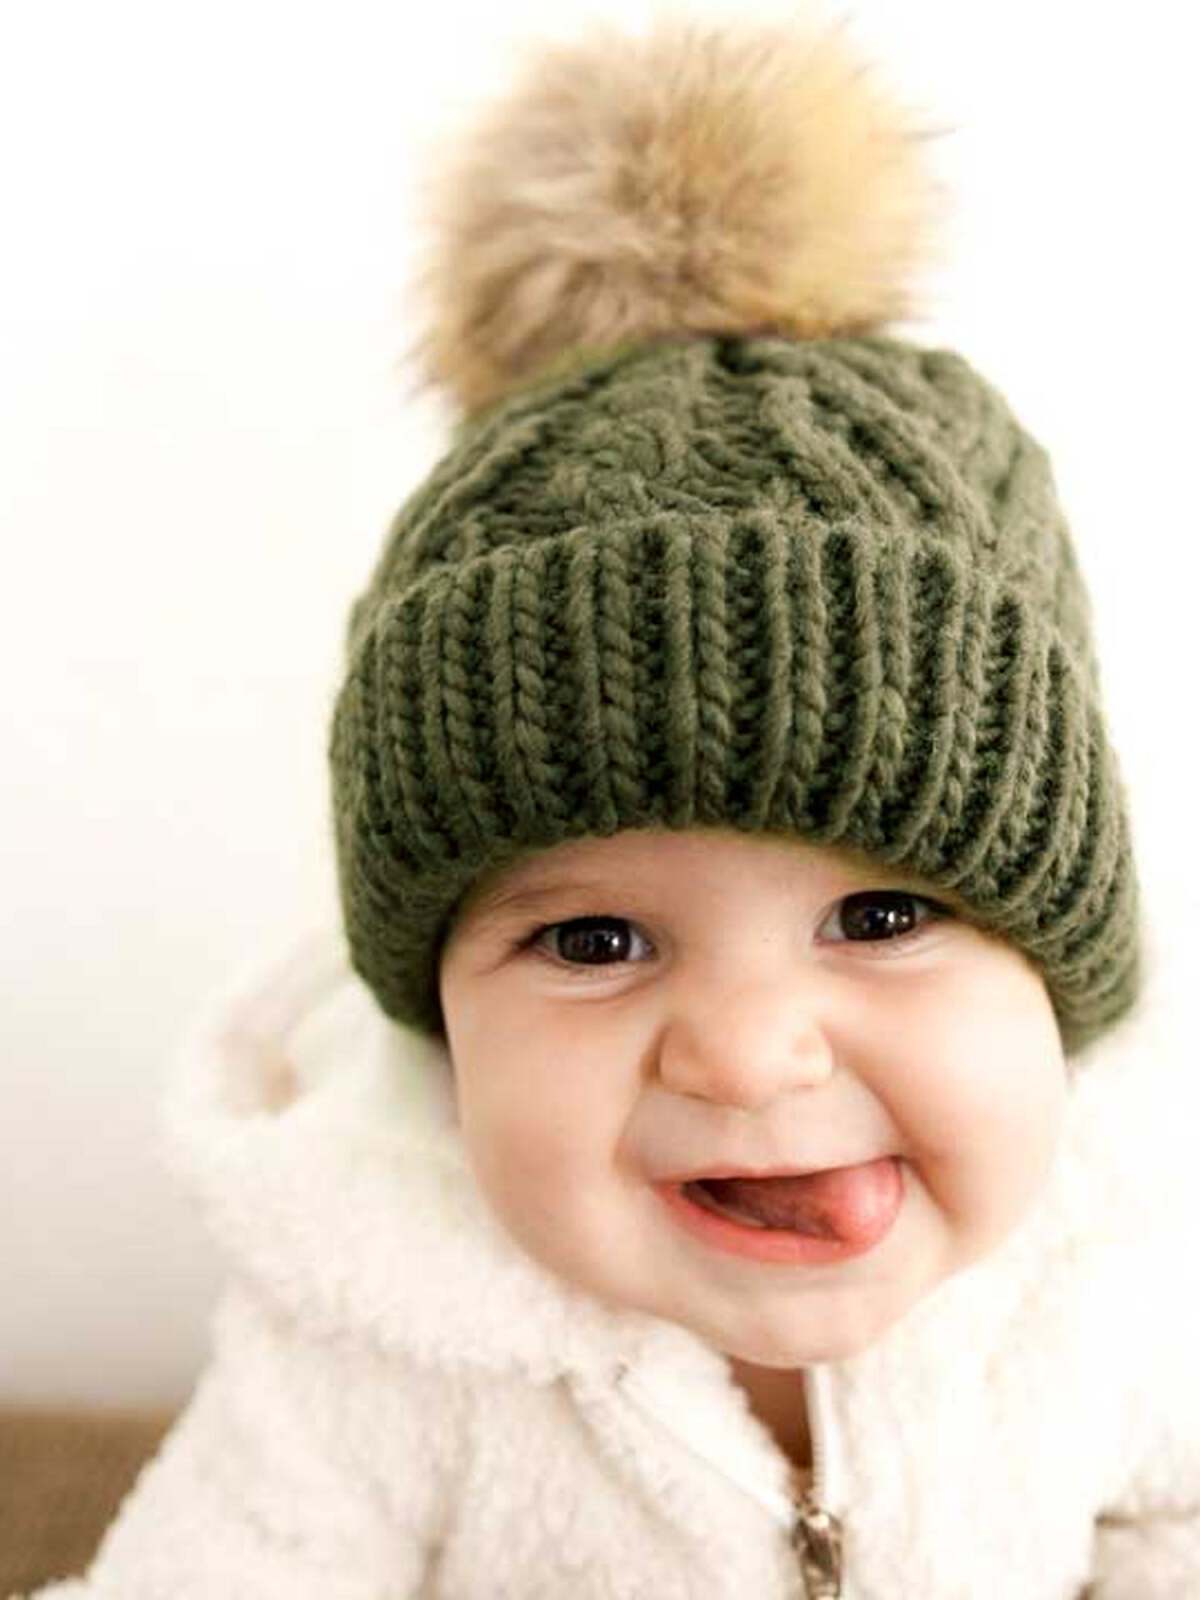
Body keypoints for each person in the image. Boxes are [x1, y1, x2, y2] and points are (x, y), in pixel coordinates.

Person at [22, 12, 1199, 1599]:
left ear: (1064, 971)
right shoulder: (372, 1339)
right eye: (593, 941)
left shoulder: (1118, 1268)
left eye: (882, 913)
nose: (748, 1052)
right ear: (439, 1014)